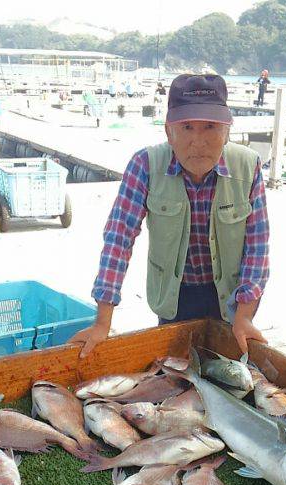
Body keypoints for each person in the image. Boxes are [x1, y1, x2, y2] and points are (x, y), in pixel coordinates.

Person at [70, 73, 269, 358]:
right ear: (168, 131)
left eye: (210, 127)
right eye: (187, 127)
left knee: (228, 369)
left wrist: (245, 315)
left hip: (231, 296)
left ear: (227, 131)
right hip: (174, 294)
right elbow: (119, 239)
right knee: (175, 370)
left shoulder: (249, 166)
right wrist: (103, 322)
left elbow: (257, 246)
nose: (198, 141)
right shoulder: (145, 165)